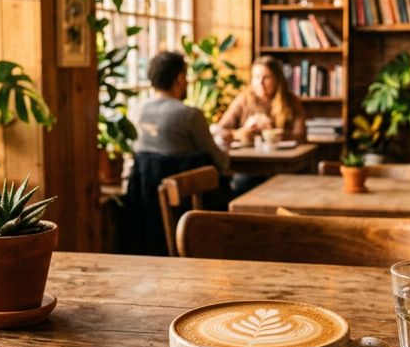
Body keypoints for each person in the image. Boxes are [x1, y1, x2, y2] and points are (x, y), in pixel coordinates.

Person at [123, 51, 229, 255]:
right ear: (180, 78)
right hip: (186, 208)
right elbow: (221, 162)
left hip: (143, 208)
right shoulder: (189, 115)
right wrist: (224, 145)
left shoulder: (136, 111)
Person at [215, 56, 307, 143]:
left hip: (281, 157)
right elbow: (220, 130)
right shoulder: (243, 99)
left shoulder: (291, 101)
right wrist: (240, 133)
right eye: (256, 77)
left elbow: (301, 136)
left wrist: (275, 133)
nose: (260, 82)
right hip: (248, 156)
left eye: (266, 77)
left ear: (277, 80)